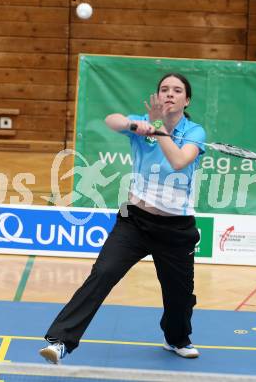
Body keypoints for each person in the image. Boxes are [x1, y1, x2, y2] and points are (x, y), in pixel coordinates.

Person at [39, 72, 206, 364]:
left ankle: (176, 338)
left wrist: (159, 130)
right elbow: (111, 120)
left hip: (176, 228)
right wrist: (135, 125)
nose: (169, 93)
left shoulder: (194, 132)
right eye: (164, 89)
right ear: (156, 97)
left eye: (177, 90)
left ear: (186, 99)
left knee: (179, 297)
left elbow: (179, 162)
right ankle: (61, 341)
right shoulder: (142, 121)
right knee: (103, 274)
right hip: (135, 222)